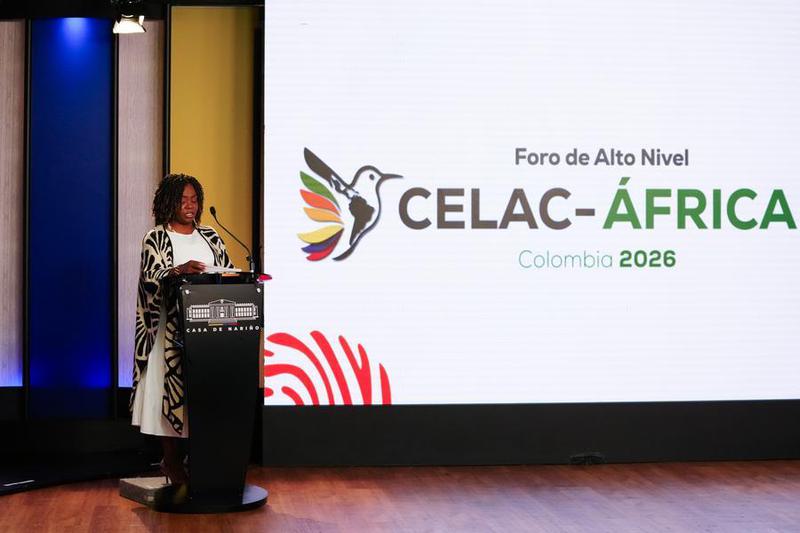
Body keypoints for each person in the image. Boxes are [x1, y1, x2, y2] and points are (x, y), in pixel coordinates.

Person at [130, 173, 234, 485]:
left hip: (208, 332)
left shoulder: (211, 236)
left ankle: (199, 458)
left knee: (201, 396)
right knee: (169, 394)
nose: (190, 205)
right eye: (183, 200)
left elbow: (227, 271)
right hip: (169, 330)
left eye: (194, 200)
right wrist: (178, 270)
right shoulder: (156, 237)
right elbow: (150, 277)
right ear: (169, 203)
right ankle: (171, 461)